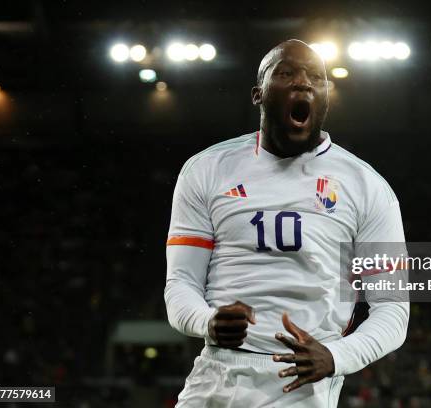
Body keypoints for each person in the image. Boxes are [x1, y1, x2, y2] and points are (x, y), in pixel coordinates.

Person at [164, 39, 409, 407]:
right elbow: (180, 284)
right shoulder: (206, 170)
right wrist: (207, 321)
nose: (303, 82)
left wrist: (336, 356)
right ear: (257, 94)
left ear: (326, 95)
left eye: (316, 77)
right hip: (217, 376)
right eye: (286, 73)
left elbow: (393, 308)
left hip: (304, 385)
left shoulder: (367, 187)